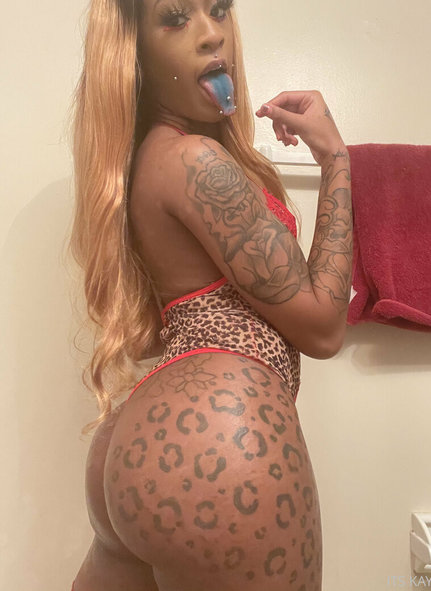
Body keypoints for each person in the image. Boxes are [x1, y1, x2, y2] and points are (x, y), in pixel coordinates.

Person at [69, 0, 353, 590]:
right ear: (135, 53)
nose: (210, 35)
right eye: (175, 18)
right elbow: (324, 327)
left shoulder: (148, 159)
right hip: (222, 437)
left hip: (138, 441)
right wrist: (334, 158)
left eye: (219, 9)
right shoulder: (194, 160)